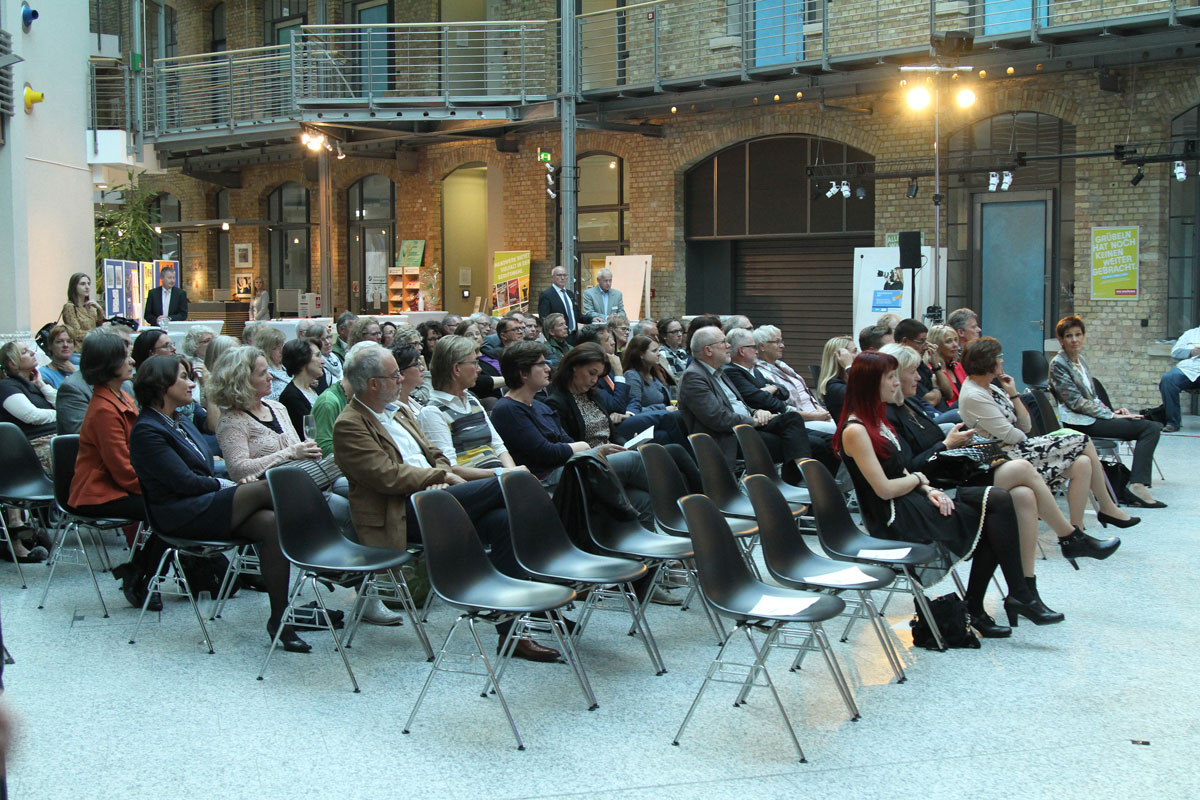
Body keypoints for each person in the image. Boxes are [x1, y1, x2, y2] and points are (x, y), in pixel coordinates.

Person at [332, 343, 554, 661]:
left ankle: (512, 630)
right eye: (395, 375)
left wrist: (440, 474)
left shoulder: (398, 411)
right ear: (373, 384)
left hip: (436, 497)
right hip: (402, 512)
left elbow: (434, 453)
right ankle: (553, 574)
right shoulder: (350, 424)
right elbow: (387, 476)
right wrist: (440, 477)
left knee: (504, 521)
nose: (401, 379)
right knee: (515, 482)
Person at [834, 351, 1062, 631]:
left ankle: (1005, 599)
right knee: (995, 506)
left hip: (910, 501)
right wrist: (920, 480)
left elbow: (900, 470)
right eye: (890, 377)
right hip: (894, 517)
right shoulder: (855, 430)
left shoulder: (877, 421)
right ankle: (1005, 599)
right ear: (871, 383)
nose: (896, 382)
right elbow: (884, 489)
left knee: (997, 506)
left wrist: (928, 489)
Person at [881, 343, 1119, 585]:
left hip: (966, 467)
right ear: (895, 376)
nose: (920, 377)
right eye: (913, 371)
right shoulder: (895, 413)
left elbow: (1024, 426)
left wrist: (1013, 394)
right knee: (1070, 445)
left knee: (1029, 492)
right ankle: (1072, 536)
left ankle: (1025, 589)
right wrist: (946, 444)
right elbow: (913, 466)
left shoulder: (912, 404)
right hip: (942, 486)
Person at [128, 355, 306, 653]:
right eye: (183, 377)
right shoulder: (147, 430)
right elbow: (184, 483)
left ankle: (280, 619)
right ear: (161, 385)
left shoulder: (178, 420)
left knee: (272, 523)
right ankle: (323, 545)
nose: (192, 383)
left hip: (204, 502)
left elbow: (204, 470)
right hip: (179, 514)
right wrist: (230, 486)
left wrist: (228, 485)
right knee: (269, 487)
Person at [957, 337, 1140, 533]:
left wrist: (1014, 394)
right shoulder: (974, 395)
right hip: (1004, 457)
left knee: (1083, 463)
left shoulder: (992, 387)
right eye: (998, 356)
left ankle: (1078, 529)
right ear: (987, 362)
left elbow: (1025, 425)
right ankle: (1106, 507)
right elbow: (1012, 436)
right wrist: (1026, 435)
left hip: (1017, 447)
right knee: (1083, 439)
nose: (1002, 360)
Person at [68, 331, 161, 609]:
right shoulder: (104, 410)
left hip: (118, 487)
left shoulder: (122, 397)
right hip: (98, 494)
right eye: (125, 357)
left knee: (173, 506)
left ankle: (141, 571)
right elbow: (123, 470)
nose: (132, 361)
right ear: (108, 364)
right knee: (167, 508)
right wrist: (162, 487)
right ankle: (144, 574)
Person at [1050, 316, 1164, 507]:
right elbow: (1076, 403)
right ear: (1061, 340)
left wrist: (1113, 412)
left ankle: (1137, 484)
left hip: (1092, 418)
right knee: (1149, 428)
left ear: (1084, 336)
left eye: (1078, 335)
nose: (1074, 340)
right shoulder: (1058, 364)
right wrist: (1112, 416)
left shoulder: (1080, 360)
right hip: (1080, 423)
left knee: (1150, 425)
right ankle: (1137, 485)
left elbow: (1092, 398)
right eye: (1069, 336)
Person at [677, 326, 811, 481]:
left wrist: (756, 412)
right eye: (723, 342)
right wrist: (754, 421)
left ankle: (799, 480)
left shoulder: (719, 372)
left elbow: (738, 404)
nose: (728, 346)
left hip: (746, 427)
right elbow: (718, 418)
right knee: (807, 443)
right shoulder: (693, 377)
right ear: (708, 350)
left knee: (793, 419)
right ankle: (802, 480)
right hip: (729, 439)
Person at [419, 336, 518, 469]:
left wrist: (513, 472)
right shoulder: (432, 412)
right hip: (476, 480)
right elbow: (450, 468)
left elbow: (499, 448)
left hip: (498, 474)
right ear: (456, 369)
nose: (479, 369)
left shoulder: (471, 400)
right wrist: (502, 474)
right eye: (474, 363)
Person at [753, 325, 836, 434]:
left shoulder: (782, 365)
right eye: (777, 342)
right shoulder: (760, 373)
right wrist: (815, 416)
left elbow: (805, 393)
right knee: (843, 431)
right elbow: (783, 408)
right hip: (800, 421)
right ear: (762, 346)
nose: (782, 345)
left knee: (849, 424)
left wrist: (819, 410)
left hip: (817, 414)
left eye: (781, 341)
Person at [57, 325, 134, 436]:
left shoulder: (126, 384)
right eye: (123, 355)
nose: (132, 361)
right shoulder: (73, 388)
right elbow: (82, 434)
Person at [0, 339, 58, 470]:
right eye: (24, 352)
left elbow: (62, 404)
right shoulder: (6, 386)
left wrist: (41, 385)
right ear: (12, 364)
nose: (32, 352)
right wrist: (61, 414)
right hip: (34, 446)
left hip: (58, 437)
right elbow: (31, 416)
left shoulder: (39, 383)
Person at [894, 318, 959, 423]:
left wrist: (936, 367)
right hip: (928, 418)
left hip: (941, 412)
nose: (925, 347)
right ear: (905, 341)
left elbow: (949, 393)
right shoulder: (903, 368)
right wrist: (936, 386)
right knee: (958, 414)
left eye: (926, 342)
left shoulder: (921, 364)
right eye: (921, 342)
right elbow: (931, 400)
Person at [1157, 321, 1200, 433]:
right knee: (1168, 379)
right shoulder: (1190, 334)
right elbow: (1175, 352)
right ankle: (1173, 422)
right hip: (1188, 370)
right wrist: (1192, 352)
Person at [278, 338, 325, 436]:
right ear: (303, 359)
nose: (323, 361)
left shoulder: (313, 389)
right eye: (317, 356)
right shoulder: (290, 396)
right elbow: (307, 434)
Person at [623, 335, 675, 414]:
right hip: (650, 420)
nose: (659, 354)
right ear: (641, 354)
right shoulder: (632, 376)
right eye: (654, 351)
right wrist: (663, 409)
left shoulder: (655, 373)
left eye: (658, 350)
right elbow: (633, 410)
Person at [454, 319, 504, 400]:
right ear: (460, 339)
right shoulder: (462, 361)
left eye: (477, 333)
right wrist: (510, 379)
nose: (475, 337)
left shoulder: (493, 353)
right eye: (469, 335)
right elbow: (479, 382)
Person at [817, 335, 857, 423]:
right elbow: (865, 395)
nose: (858, 355)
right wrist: (849, 366)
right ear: (840, 357)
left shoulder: (848, 380)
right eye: (855, 351)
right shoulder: (833, 387)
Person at [61, 272, 106, 349]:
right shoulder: (70, 307)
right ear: (74, 287)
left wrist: (99, 309)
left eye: (88, 284)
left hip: (94, 347)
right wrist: (97, 333)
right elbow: (76, 333)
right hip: (80, 349)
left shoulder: (90, 306)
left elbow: (101, 325)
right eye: (82, 284)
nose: (87, 287)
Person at [927, 324, 965, 405]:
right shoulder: (931, 370)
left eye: (956, 340)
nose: (955, 345)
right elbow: (949, 397)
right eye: (948, 341)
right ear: (937, 345)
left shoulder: (958, 366)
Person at [248, 325, 288, 401]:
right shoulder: (264, 371)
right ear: (266, 350)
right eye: (275, 348)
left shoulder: (287, 365)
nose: (281, 350)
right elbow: (266, 398)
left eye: (282, 345)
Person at [537, 265, 581, 331]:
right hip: (557, 335)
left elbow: (577, 315)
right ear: (552, 277)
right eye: (559, 275)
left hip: (574, 334)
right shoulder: (546, 295)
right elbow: (544, 319)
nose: (562, 278)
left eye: (565, 275)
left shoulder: (570, 294)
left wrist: (592, 319)